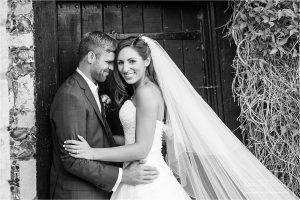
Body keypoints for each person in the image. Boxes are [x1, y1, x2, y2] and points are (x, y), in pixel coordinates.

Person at [63, 36, 298, 200]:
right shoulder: (142, 91)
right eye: (121, 62)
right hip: (138, 175)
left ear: (147, 61)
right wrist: (96, 141)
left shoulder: (146, 93)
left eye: (132, 61)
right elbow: (134, 138)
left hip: (146, 177)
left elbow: (141, 148)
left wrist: (92, 153)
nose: (125, 69)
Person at [49, 32, 158, 199]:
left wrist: (94, 151)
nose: (114, 68)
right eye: (109, 62)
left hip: (126, 182)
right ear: (91, 57)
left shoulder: (90, 89)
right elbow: (72, 159)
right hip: (79, 194)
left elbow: (98, 139)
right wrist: (123, 175)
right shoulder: (70, 95)